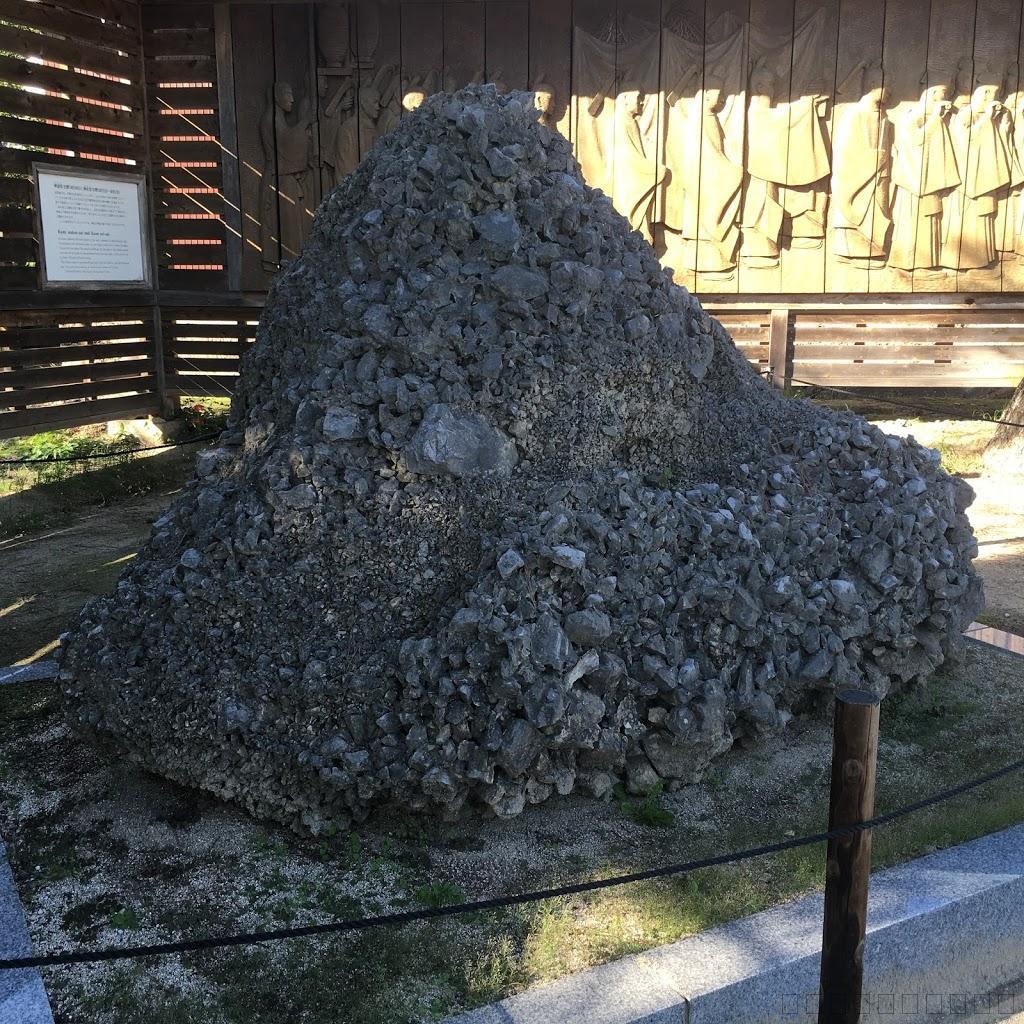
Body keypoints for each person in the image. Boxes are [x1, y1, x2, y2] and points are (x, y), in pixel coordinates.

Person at [830, 60, 893, 260]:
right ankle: (852, 249)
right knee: (859, 222)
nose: (889, 91)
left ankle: (874, 248)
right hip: (860, 181)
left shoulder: (883, 117)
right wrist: (875, 159)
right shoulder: (854, 116)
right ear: (873, 85)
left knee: (878, 215)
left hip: (879, 178)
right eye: (885, 85)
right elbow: (844, 155)